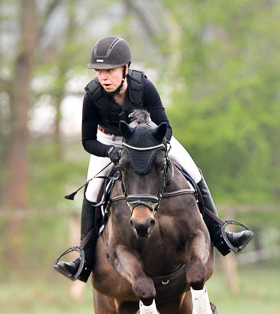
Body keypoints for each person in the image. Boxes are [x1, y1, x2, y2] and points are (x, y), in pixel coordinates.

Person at [54, 35, 253, 282]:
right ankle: (83, 261)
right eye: (99, 71)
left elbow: (166, 128)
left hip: (147, 140)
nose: (103, 77)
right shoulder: (92, 96)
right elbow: (87, 141)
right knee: (92, 192)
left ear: (125, 69)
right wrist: (110, 152)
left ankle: (221, 234)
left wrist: (151, 143)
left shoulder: (143, 86)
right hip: (108, 142)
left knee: (193, 171)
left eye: (110, 71)